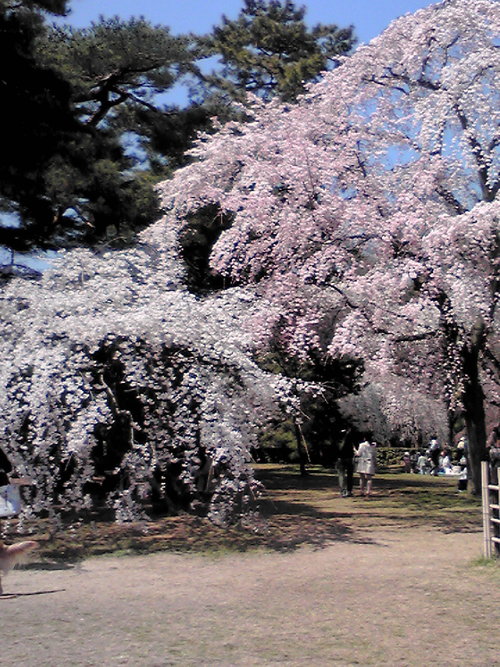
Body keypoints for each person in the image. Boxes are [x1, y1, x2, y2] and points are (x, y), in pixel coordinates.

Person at [336, 429, 355, 497]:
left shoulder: (338, 442)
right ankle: (349, 491)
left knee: (341, 475)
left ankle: (343, 491)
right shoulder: (349, 441)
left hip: (340, 459)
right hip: (349, 459)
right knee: (349, 475)